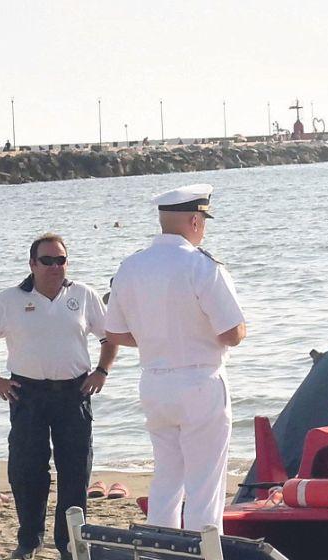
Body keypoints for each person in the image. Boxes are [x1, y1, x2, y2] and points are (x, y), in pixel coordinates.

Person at [105, 184, 246, 532]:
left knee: (167, 480)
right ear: (195, 220)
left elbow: (115, 333)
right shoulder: (202, 266)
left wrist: (158, 339)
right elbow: (232, 333)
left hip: (154, 380)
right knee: (205, 485)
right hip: (200, 380)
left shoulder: (130, 266)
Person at [0, 233, 117, 560]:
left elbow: (110, 337)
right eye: (47, 260)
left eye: (60, 260)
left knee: (76, 470)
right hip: (28, 394)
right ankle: (29, 541)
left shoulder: (83, 295)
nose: (54, 267)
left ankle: (70, 544)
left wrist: (102, 371)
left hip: (74, 392)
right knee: (26, 470)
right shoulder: (9, 300)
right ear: (33, 264)